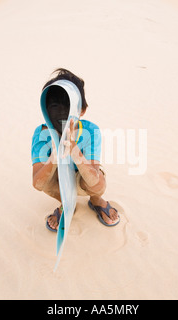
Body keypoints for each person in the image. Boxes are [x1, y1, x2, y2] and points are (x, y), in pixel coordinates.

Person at [31, 68, 120, 231]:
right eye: (54, 106)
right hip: (59, 177)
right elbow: (37, 183)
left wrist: (73, 149)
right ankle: (66, 203)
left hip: (83, 177)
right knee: (45, 181)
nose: (61, 112)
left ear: (82, 111)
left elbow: (94, 180)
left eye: (68, 106)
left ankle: (96, 201)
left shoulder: (90, 131)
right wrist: (55, 155)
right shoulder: (41, 134)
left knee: (97, 186)